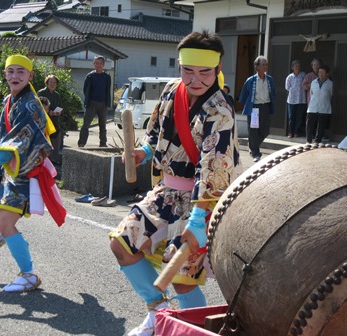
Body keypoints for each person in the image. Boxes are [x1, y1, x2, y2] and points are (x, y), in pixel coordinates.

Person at [109, 31, 241, 336]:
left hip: (202, 203)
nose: (195, 79)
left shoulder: (220, 110)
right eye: (188, 71)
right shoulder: (171, 91)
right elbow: (155, 133)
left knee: (183, 278)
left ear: (218, 68)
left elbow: (214, 166)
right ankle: (157, 311)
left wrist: (198, 220)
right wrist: (143, 150)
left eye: (204, 72)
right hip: (165, 193)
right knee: (122, 243)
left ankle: (196, 329)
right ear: (179, 67)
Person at [0, 55, 66, 292]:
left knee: (7, 223)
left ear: (30, 76)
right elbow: (1, 142)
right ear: (5, 74)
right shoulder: (9, 100)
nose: (15, 76)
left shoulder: (30, 105)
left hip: (26, 176)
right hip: (9, 173)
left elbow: (10, 150)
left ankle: (28, 275)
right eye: (11, 71)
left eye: (21, 72)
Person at [239, 56, 275, 162]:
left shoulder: (270, 79)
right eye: (263, 64)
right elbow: (244, 95)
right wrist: (249, 104)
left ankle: (252, 146)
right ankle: (256, 153)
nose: (265, 66)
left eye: (266, 64)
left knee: (265, 131)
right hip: (254, 107)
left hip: (265, 106)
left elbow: (272, 93)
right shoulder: (251, 80)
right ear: (257, 67)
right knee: (253, 130)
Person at [78, 55, 112, 148]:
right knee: (86, 125)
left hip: (103, 103)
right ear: (94, 64)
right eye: (97, 63)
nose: (99, 65)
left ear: (103, 65)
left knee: (103, 125)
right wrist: (88, 101)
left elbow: (108, 90)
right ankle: (81, 143)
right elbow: (86, 90)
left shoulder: (107, 76)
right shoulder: (90, 76)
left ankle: (103, 143)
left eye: (101, 63)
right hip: (91, 103)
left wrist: (107, 103)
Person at [38, 75, 63, 165]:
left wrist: (59, 112)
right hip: (44, 121)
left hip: (55, 121)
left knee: (55, 141)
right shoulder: (41, 92)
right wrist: (49, 113)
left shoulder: (57, 95)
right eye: (51, 82)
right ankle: (44, 160)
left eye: (54, 83)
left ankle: (54, 159)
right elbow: (38, 106)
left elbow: (60, 106)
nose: (52, 84)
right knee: (45, 142)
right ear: (47, 83)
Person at [306, 64, 333, 144]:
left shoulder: (330, 84)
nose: (320, 74)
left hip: (324, 107)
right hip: (313, 107)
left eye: (323, 72)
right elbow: (311, 94)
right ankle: (308, 140)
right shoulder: (313, 82)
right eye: (319, 72)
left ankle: (317, 141)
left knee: (321, 126)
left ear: (327, 74)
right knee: (309, 124)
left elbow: (331, 95)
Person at [285, 60, 306, 138]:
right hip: (291, 100)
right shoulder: (290, 77)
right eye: (295, 66)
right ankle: (291, 132)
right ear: (292, 67)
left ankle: (296, 132)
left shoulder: (303, 75)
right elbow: (287, 87)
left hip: (301, 99)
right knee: (291, 116)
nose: (297, 67)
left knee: (299, 117)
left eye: (298, 66)